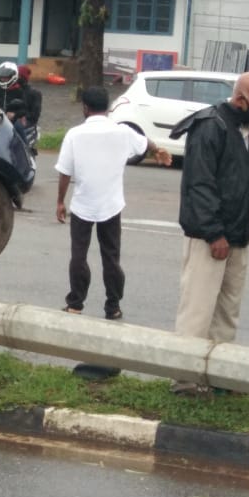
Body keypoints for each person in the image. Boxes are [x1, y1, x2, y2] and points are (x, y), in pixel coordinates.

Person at [169, 71, 249, 395]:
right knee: (198, 308)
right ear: (240, 98)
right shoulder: (210, 125)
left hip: (240, 235)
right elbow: (200, 185)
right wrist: (214, 234)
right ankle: (185, 378)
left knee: (228, 311)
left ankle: (219, 375)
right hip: (210, 237)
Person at [56, 87, 171, 374]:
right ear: (107, 107)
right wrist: (160, 151)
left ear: (84, 107)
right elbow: (147, 143)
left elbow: (65, 173)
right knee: (111, 257)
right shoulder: (122, 132)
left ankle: (76, 304)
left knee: (78, 255)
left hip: (82, 205)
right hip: (111, 206)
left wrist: (60, 200)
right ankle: (113, 306)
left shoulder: (74, 134)